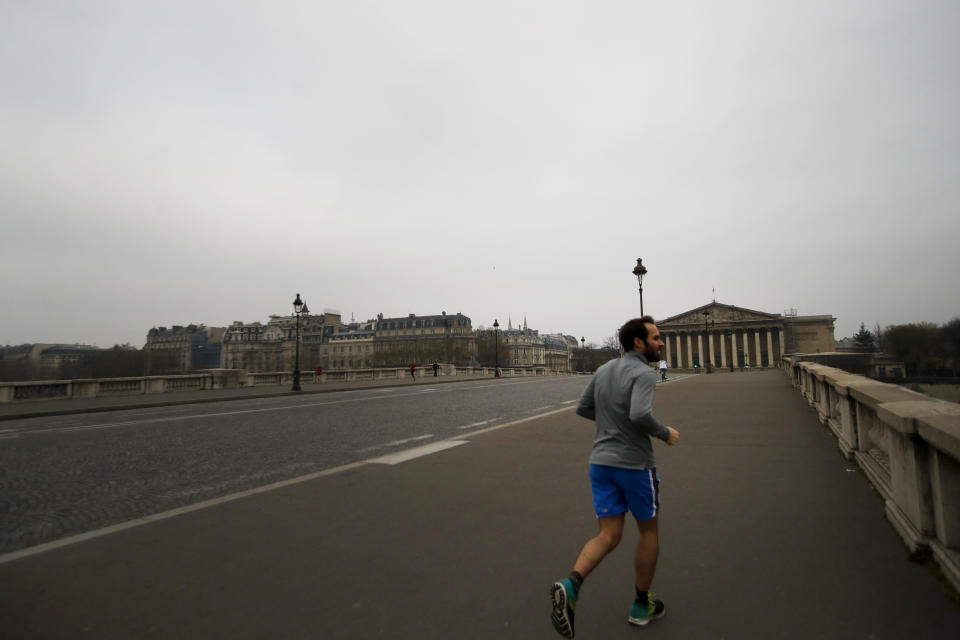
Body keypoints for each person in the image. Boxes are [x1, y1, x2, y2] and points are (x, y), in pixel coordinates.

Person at [550, 316, 680, 638]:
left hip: (600, 463)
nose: (661, 342)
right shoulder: (644, 374)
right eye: (656, 337)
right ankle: (640, 605)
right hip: (635, 465)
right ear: (639, 342)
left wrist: (610, 422)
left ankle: (571, 584)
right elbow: (639, 414)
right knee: (648, 531)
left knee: (608, 535)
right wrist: (665, 433)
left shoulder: (604, 369)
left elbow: (583, 408)